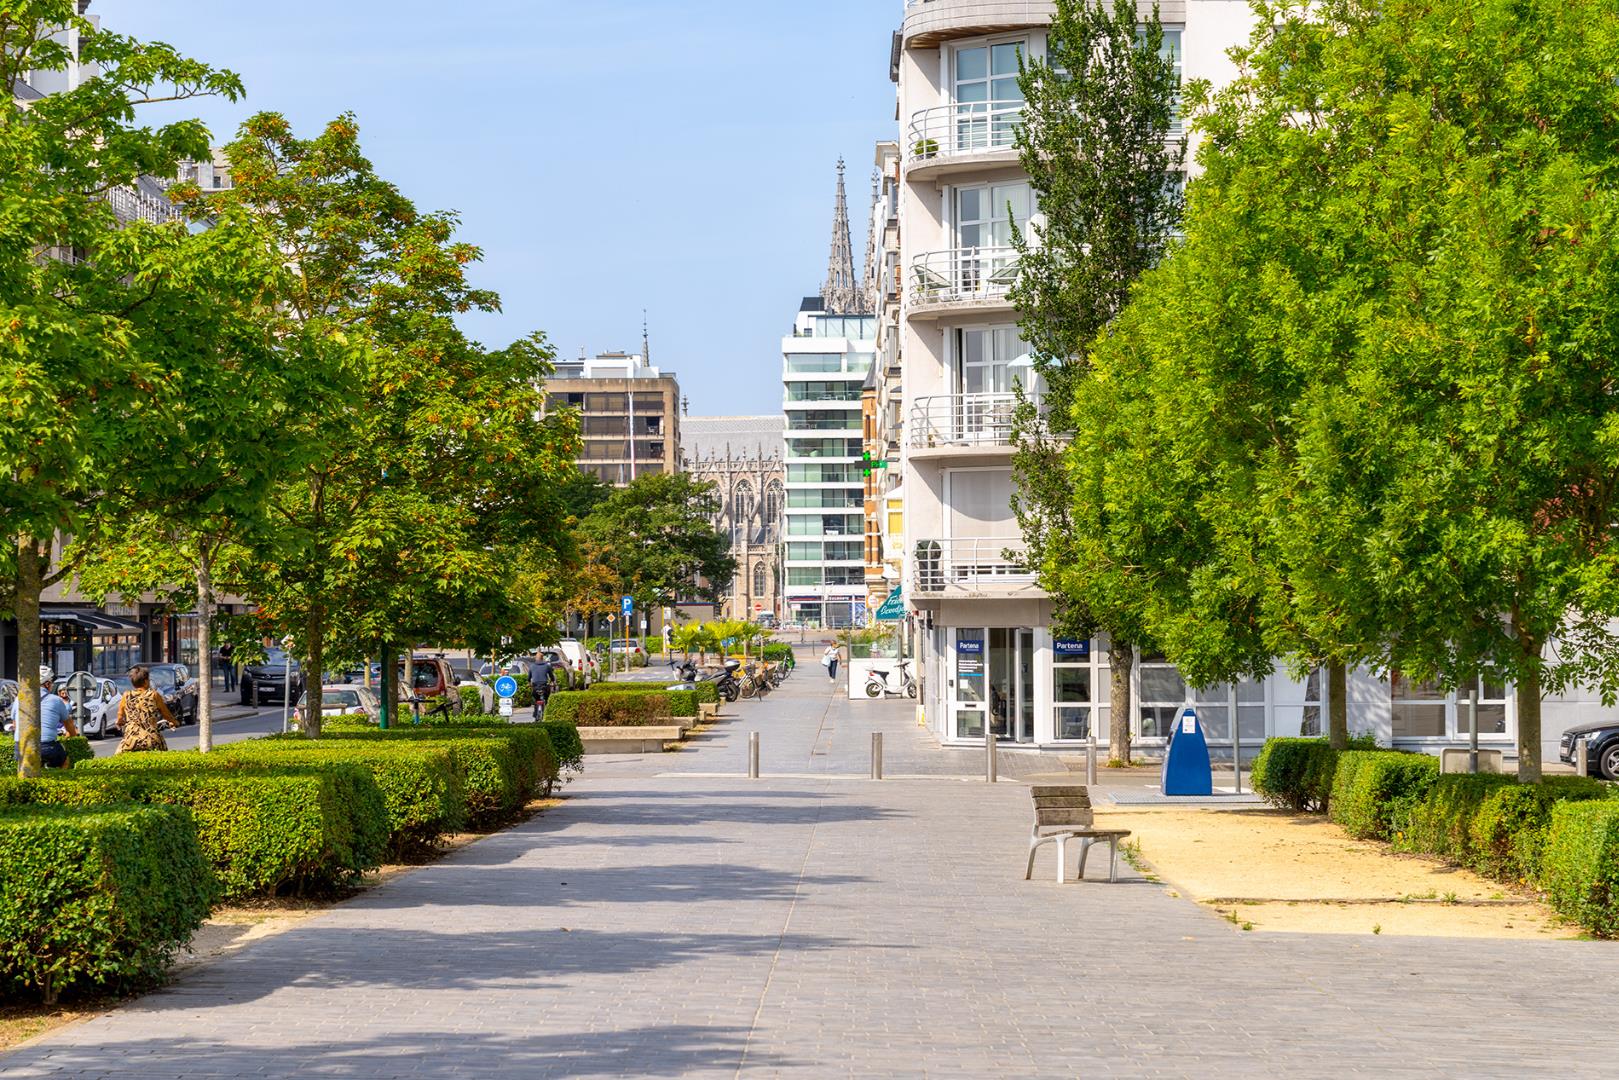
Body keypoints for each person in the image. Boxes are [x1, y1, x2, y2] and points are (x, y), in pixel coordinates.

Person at [9, 667, 78, 769]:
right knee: (64, 760)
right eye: (51, 683)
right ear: (47, 684)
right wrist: (72, 737)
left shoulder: (18, 699)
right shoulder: (56, 700)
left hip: (21, 746)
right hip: (46, 746)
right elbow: (70, 726)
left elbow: (15, 725)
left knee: (25, 769)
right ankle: (61, 781)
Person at [115, 665, 172, 754]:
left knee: (118, 758)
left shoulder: (126, 695)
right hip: (152, 738)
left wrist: (119, 722)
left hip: (131, 740)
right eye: (148, 680)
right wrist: (174, 722)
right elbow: (166, 714)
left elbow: (120, 715)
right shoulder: (154, 695)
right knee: (163, 753)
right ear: (145, 682)